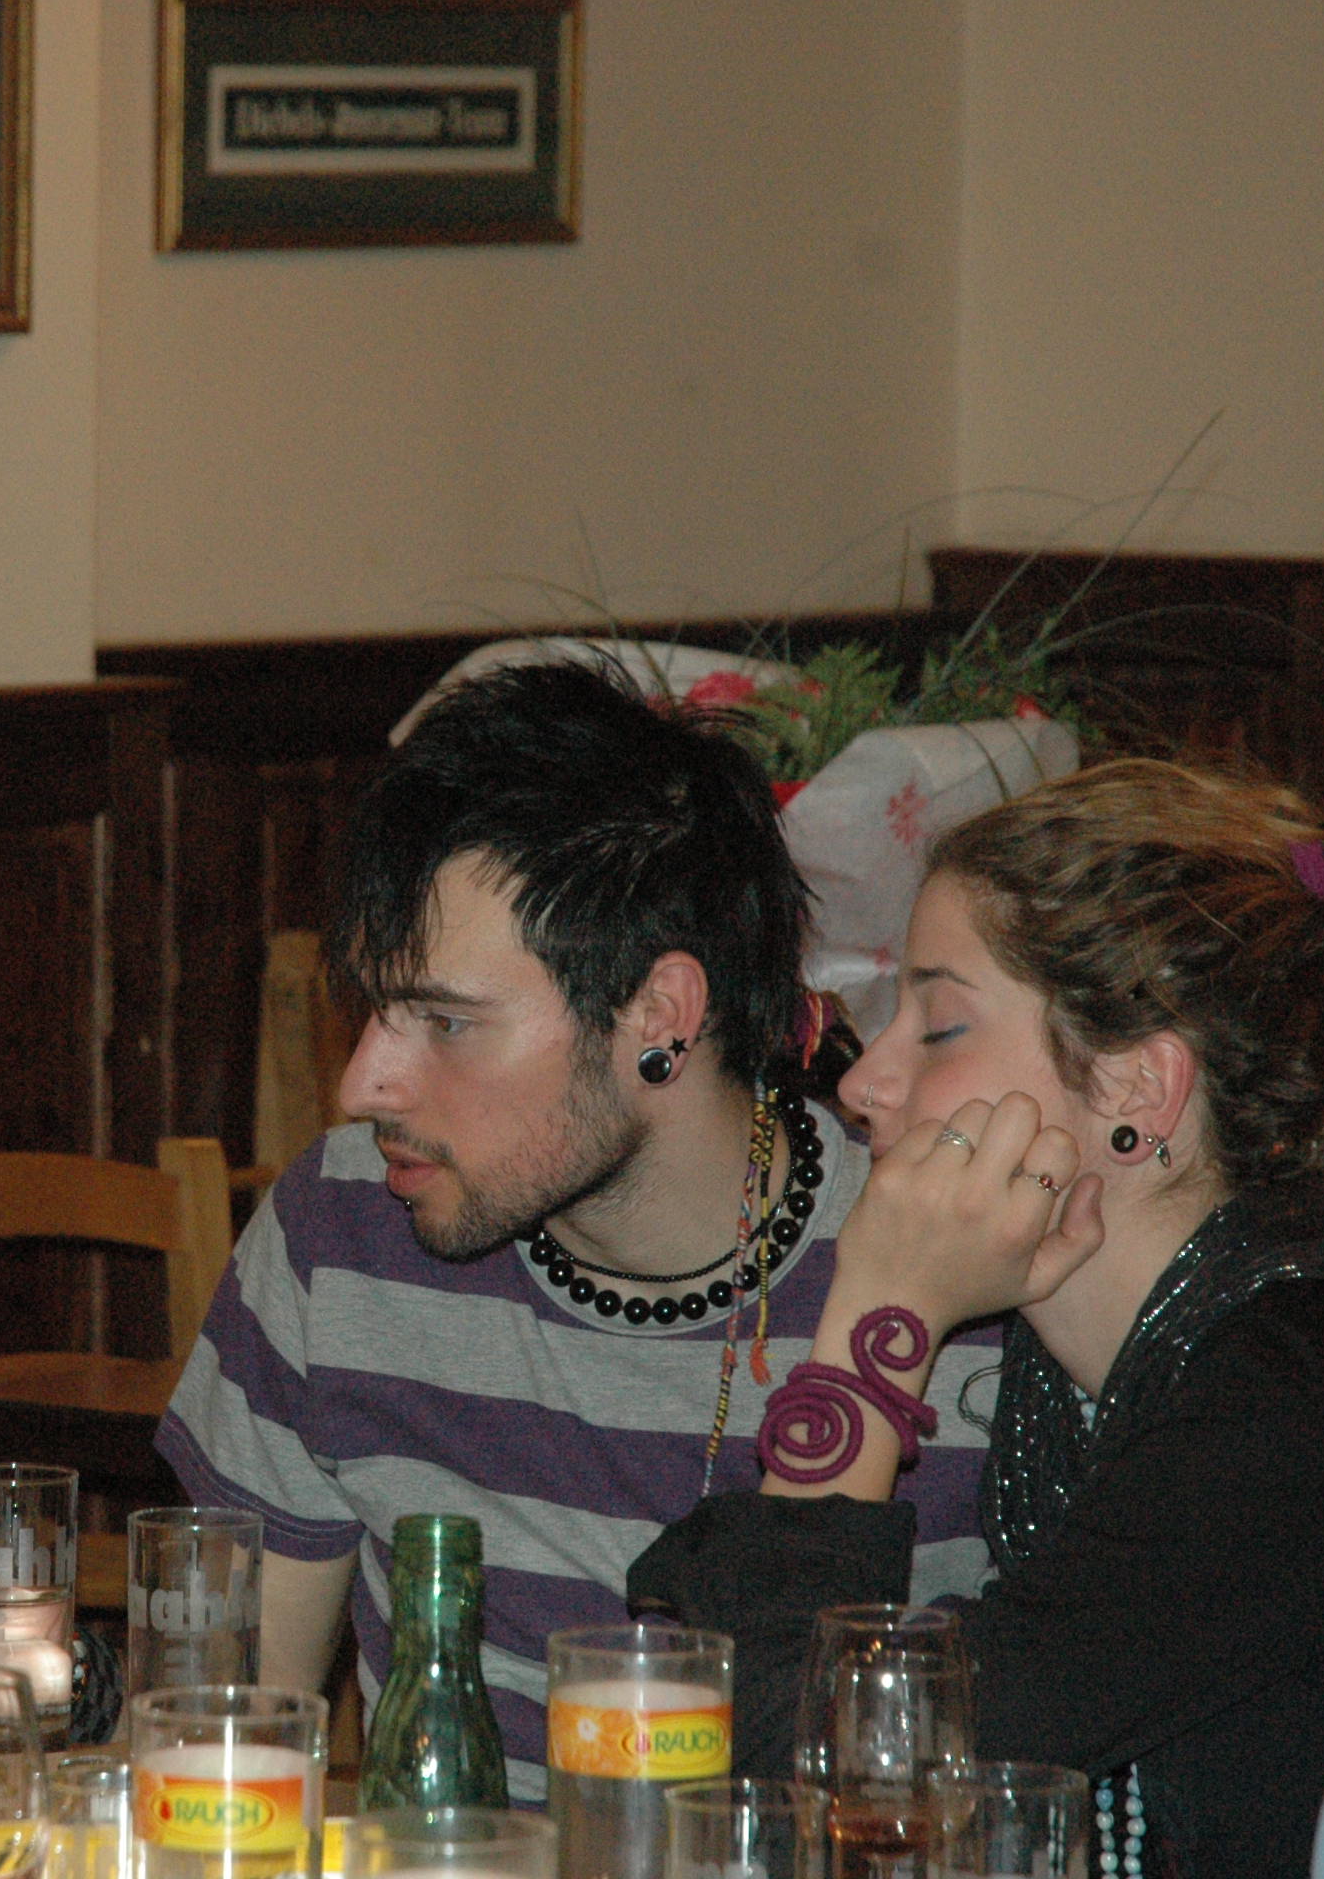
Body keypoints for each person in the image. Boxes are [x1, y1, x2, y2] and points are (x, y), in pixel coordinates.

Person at [627, 759, 1324, 1874]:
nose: (862, 1082)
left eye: (937, 1026)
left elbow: (814, 1776)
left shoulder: (1299, 1393)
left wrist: (878, 1311)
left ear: (1135, 1084)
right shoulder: (1085, 1369)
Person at [149, 660, 1001, 1803]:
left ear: (658, 1015)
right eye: (375, 1006)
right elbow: (219, 1754)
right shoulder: (340, 1228)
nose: (360, 1082)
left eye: (445, 1020)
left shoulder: (950, 1272)